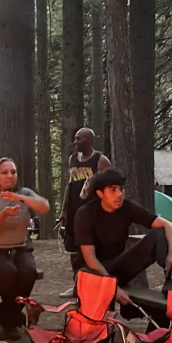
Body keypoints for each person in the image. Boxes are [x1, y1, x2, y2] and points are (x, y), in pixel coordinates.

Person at [73, 168, 172, 328]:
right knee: (99, 321)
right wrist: (112, 287)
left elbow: (168, 226)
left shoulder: (127, 208)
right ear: (100, 194)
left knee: (158, 234)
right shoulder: (85, 213)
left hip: (116, 268)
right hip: (91, 274)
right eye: (112, 190)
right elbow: (90, 259)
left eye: (121, 189)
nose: (119, 194)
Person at [0, 158, 50, 338]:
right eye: (4, 172)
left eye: (13, 172)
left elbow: (45, 207)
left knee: (29, 272)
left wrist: (20, 198)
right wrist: (4, 214)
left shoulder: (25, 193)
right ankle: (12, 320)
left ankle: (6, 313)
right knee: (8, 272)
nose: (10, 176)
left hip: (19, 247)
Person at [57, 128, 112, 298]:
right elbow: (69, 185)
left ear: (89, 140)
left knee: (88, 250)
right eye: (75, 138)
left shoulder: (100, 160)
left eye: (79, 139)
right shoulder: (73, 159)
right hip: (74, 211)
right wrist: (64, 209)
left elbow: (108, 188)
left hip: (92, 214)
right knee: (74, 251)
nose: (75, 142)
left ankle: (92, 287)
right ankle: (76, 286)